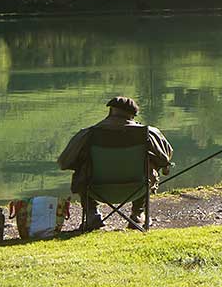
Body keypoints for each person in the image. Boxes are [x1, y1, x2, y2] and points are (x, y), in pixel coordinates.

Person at [57, 95, 174, 229]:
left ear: (111, 111)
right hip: (138, 188)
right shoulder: (148, 133)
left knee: (82, 168)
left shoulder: (88, 134)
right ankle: (137, 214)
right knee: (150, 164)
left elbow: (64, 162)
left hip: (95, 189)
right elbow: (165, 159)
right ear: (132, 115)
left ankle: (91, 214)